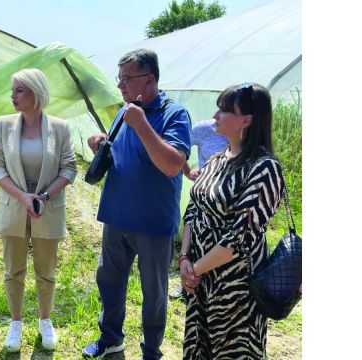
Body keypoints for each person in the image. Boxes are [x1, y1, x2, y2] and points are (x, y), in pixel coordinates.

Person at [82, 49, 191, 360]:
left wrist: (142, 124)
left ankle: (151, 352)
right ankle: (111, 339)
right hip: (116, 216)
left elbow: (172, 164)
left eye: (127, 79)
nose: (120, 86)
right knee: (109, 281)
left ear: (150, 79)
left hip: (153, 223)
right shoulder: (125, 111)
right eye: (120, 79)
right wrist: (101, 145)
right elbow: (122, 154)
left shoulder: (174, 114)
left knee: (154, 293)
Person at [179, 83, 285, 359]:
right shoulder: (216, 161)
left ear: (247, 120)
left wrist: (195, 270)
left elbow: (240, 237)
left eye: (224, 110)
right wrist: (184, 260)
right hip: (200, 281)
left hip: (236, 288)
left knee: (234, 351)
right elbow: (194, 209)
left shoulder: (264, 168)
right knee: (198, 347)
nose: (215, 116)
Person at [0, 68, 77, 352]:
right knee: (13, 270)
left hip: (46, 209)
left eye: (19, 90)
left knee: (46, 271)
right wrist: (23, 196)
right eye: (13, 90)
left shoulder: (60, 128)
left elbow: (69, 168)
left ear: (35, 93)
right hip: (13, 207)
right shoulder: (4, 125)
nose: (12, 96)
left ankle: (45, 319)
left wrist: (42, 196)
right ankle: (15, 323)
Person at [170, 119, 228, 299]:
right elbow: (179, 149)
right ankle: (187, 284)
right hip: (202, 197)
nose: (216, 114)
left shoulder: (247, 146)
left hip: (225, 202)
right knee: (196, 240)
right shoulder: (205, 128)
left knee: (217, 246)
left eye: (224, 109)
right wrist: (188, 171)